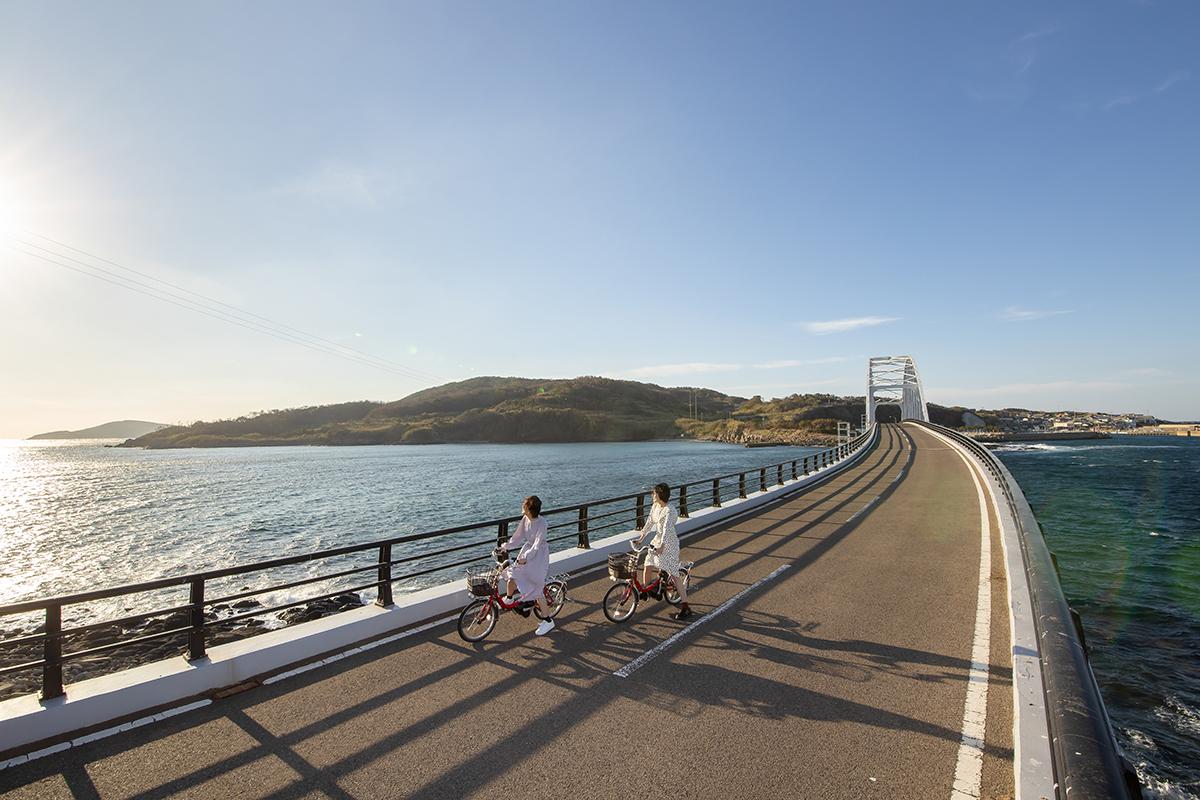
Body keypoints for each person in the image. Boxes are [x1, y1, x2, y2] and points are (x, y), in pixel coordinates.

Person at [632, 482, 692, 620]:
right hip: (658, 541)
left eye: (653, 493)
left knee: (675, 575)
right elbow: (649, 522)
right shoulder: (655, 506)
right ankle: (646, 591)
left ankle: (686, 607)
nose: (652, 495)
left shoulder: (670, 511)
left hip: (669, 545)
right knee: (647, 564)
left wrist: (662, 547)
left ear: (659, 495)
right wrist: (641, 537)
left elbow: (666, 530)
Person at [502, 495, 555, 636]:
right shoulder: (525, 518)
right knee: (513, 573)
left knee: (536, 587)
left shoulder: (542, 523)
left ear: (529, 509)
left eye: (524, 506)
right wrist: (505, 547)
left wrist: (526, 557)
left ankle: (548, 621)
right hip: (527, 550)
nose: (522, 507)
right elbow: (517, 536)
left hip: (538, 555)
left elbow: (537, 544)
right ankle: (509, 597)